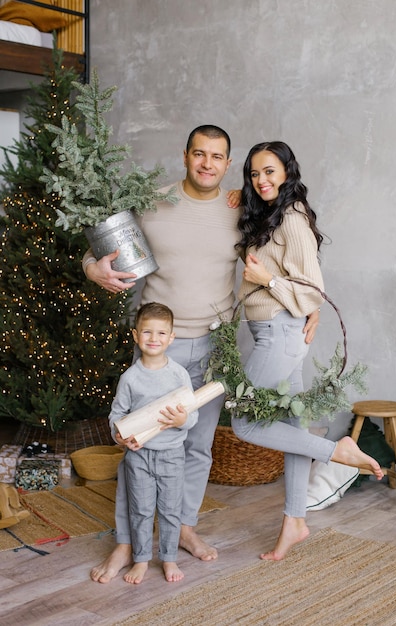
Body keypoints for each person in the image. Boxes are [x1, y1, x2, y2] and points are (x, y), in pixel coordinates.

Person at [85, 127, 319, 582]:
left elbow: (297, 259)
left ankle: (184, 530)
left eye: (217, 157)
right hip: (158, 348)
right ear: (186, 155)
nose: (208, 164)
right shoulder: (152, 201)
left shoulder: (243, 209)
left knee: (197, 446)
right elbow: (101, 242)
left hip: (216, 345)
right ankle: (125, 544)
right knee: (136, 444)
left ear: (228, 163)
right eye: (199, 154)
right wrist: (93, 268)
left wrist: (313, 311)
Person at [231, 140, 383, 562]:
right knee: (292, 432)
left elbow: (312, 289)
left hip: (278, 333)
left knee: (244, 423)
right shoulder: (270, 214)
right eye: (254, 173)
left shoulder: (292, 217)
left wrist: (268, 282)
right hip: (278, 331)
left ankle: (337, 452)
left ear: (287, 172)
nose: (262, 180)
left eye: (269, 171)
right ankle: (295, 521)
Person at [108, 302, 198, 584]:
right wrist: (119, 435)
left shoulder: (178, 375)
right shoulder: (130, 379)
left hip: (172, 454)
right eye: (147, 332)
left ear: (171, 338)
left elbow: (191, 416)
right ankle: (141, 560)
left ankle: (169, 559)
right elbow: (117, 415)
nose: (154, 339)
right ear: (136, 336)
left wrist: (181, 420)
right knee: (141, 510)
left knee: (171, 510)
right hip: (139, 457)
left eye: (161, 333)